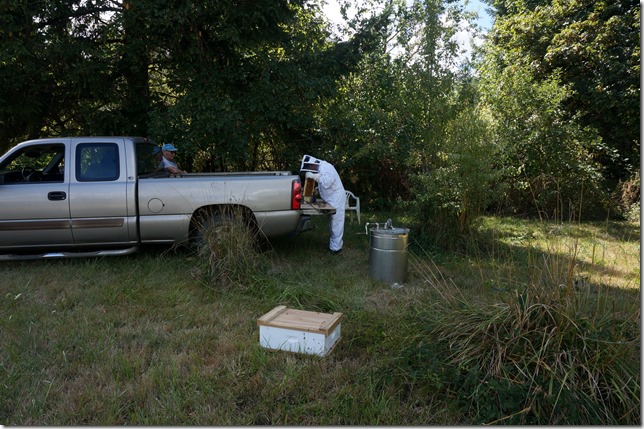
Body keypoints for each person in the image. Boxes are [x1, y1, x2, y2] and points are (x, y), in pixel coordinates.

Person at [300, 154, 346, 254]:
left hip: (336, 199)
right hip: (331, 199)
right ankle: (335, 244)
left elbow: (327, 182)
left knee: (336, 223)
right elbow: (323, 184)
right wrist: (316, 190)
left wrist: (314, 176)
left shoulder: (326, 167)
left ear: (312, 164)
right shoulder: (321, 169)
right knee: (332, 222)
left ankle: (336, 249)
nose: (310, 169)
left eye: (309, 167)